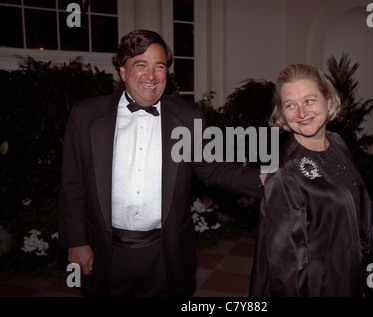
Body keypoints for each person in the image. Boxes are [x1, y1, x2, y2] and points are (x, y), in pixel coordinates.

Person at [58, 29, 263, 297]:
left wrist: (269, 180)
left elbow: (215, 169)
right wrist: (77, 241)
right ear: (122, 71)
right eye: (140, 64)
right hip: (104, 250)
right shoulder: (86, 116)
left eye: (159, 66)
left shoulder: (187, 117)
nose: (151, 75)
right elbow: (73, 184)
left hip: (165, 253)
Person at [249, 63, 373, 297]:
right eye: (290, 105)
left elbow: (344, 201)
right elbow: (284, 267)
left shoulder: (337, 142)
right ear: (282, 112)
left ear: (328, 100)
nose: (301, 113)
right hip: (322, 285)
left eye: (309, 100)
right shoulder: (285, 170)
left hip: (357, 272)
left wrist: (368, 228)